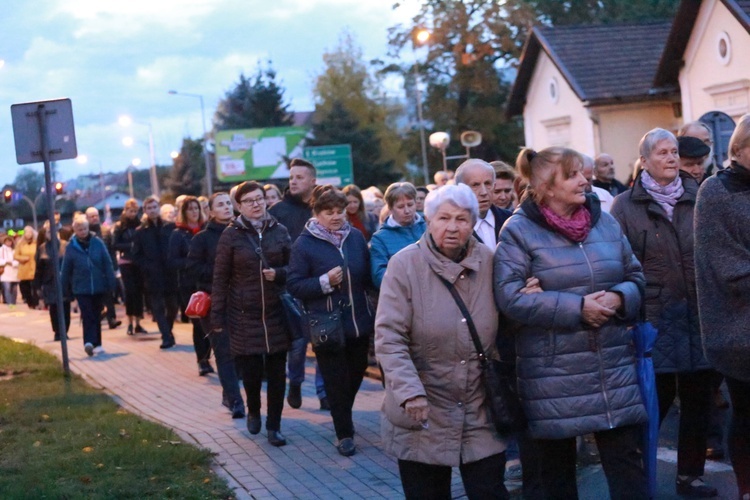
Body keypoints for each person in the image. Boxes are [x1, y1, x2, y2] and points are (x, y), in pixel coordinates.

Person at [494, 146, 648, 499]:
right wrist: (577, 308)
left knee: (628, 469)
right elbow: (511, 297)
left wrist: (619, 297)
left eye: (583, 172)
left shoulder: (605, 222)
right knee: (557, 477)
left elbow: (636, 276)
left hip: (611, 368)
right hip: (553, 374)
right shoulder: (518, 231)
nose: (584, 180)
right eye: (573, 174)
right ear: (547, 187)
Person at [375, 184, 509, 499]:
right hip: (423, 408)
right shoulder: (403, 265)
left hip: (479, 406)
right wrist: (409, 393)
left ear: (473, 223)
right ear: (429, 220)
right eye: (443, 218)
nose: (452, 227)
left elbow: (507, 322)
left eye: (462, 219)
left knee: (490, 491)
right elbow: (390, 337)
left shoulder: (489, 261)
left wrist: (525, 297)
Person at [611, 128, 717, 498]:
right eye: (663, 153)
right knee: (652, 403)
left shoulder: (700, 195)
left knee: (698, 404)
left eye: (674, 152)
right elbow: (619, 264)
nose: (672, 158)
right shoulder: (625, 206)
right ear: (644, 161)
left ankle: (690, 476)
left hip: (699, 315)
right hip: (654, 319)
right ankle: (642, 477)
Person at [287, 185, 375, 457]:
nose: (336, 216)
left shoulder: (356, 237)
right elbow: (294, 284)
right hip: (327, 325)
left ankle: (342, 414)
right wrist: (324, 282)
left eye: (340, 211)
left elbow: (368, 276)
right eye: (329, 212)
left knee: (356, 372)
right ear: (317, 213)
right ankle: (344, 434)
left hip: (358, 321)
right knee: (336, 381)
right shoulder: (305, 243)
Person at [695, 113, 750, 500]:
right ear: (743, 149)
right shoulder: (716, 192)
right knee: (747, 414)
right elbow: (731, 270)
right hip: (739, 329)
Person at [212, 182, 291, 447]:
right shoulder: (230, 236)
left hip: (275, 311)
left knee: (278, 373)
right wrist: (217, 317)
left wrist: (279, 274)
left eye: (259, 199)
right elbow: (220, 278)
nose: (256, 204)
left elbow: (294, 268)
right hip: (243, 313)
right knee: (252, 371)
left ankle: (274, 426)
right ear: (239, 206)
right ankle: (254, 409)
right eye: (249, 201)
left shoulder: (279, 231)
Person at [269, 158, 327, 411]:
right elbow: (270, 252)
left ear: (313, 181)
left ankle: (324, 392)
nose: (293, 181)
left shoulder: (322, 209)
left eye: (299, 177)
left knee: (325, 340)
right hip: (290, 287)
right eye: (291, 177)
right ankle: (295, 381)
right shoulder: (278, 212)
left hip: (321, 284)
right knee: (298, 342)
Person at [187, 192, 245, 419]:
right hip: (214, 304)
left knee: (242, 353)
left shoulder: (243, 232)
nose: (227, 207)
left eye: (229, 203)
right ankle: (235, 400)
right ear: (210, 212)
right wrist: (221, 273)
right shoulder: (202, 238)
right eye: (220, 205)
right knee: (224, 352)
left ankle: (229, 393)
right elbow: (192, 268)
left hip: (242, 301)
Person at [169, 196, 213, 376]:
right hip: (189, 285)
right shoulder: (178, 234)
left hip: (208, 282)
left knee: (211, 322)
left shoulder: (207, 230)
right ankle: (202, 360)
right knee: (198, 323)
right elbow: (172, 261)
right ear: (184, 212)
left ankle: (210, 355)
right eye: (190, 209)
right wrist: (192, 262)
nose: (194, 212)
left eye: (197, 208)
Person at [61, 215, 116, 357]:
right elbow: (66, 269)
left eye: (85, 228)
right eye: (79, 229)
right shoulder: (71, 247)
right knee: (87, 314)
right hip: (81, 287)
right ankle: (88, 342)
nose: (83, 231)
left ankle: (98, 343)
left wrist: (111, 282)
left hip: (98, 285)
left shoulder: (97, 242)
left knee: (97, 314)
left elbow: (107, 263)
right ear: (75, 230)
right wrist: (64, 288)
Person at [133, 196, 178, 349]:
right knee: (157, 308)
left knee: (173, 306)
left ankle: (168, 330)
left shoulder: (170, 227)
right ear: (145, 211)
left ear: (159, 208)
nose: (152, 210)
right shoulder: (140, 232)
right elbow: (136, 255)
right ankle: (166, 336)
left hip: (170, 273)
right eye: (149, 208)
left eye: (154, 207)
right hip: (153, 276)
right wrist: (147, 266)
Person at [369, 182, 427, 289]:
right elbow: (379, 276)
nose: (407, 211)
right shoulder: (380, 238)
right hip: (404, 297)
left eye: (410, 204)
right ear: (390, 209)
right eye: (400, 207)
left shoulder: (429, 226)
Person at [455, 159, 512, 251]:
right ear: (460, 190)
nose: (484, 192)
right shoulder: (453, 227)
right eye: (475, 185)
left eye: (487, 184)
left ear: (494, 185)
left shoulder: (510, 220)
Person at [113, 199, 148, 336]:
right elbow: (115, 244)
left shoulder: (140, 225)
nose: (132, 214)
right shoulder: (120, 226)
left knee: (139, 292)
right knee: (130, 291)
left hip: (138, 262)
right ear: (125, 210)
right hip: (126, 261)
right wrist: (131, 246)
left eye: (135, 211)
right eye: (130, 211)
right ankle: (129, 322)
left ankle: (138, 322)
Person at [86, 207, 121, 329]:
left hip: (106, 267)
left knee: (109, 294)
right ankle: (98, 317)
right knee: (96, 296)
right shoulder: (85, 233)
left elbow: (112, 250)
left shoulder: (105, 231)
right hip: (92, 269)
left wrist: (114, 267)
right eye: (91, 216)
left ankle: (112, 318)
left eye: (96, 215)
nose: (94, 218)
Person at [34, 225, 71, 340]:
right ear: (45, 234)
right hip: (49, 283)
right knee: (54, 308)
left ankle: (65, 331)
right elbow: (39, 269)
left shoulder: (65, 245)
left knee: (65, 307)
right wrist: (37, 287)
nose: (51, 234)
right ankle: (57, 332)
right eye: (48, 232)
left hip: (64, 282)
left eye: (53, 231)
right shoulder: (42, 248)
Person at [14, 226, 38, 309]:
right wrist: (23, 258)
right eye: (27, 232)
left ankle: (36, 302)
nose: (28, 234)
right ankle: (29, 302)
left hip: (34, 268)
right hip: (24, 267)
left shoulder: (36, 243)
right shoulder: (20, 244)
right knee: (25, 287)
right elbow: (15, 255)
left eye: (30, 232)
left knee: (35, 286)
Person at [1, 235, 20, 307]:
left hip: (14, 271)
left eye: (10, 241)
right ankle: (10, 303)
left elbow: (18, 260)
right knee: (7, 288)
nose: (9, 243)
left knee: (14, 289)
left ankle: (13, 302)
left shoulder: (14, 250)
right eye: (7, 241)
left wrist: (12, 263)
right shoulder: (1, 250)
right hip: (5, 272)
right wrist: (6, 262)